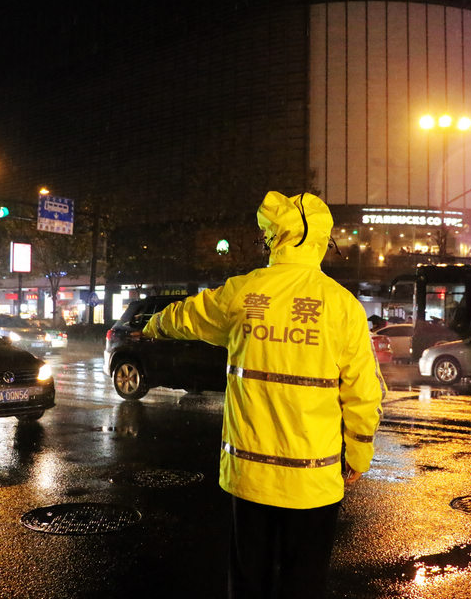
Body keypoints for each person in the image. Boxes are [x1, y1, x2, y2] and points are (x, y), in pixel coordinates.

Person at [142, 191, 385, 598]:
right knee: (303, 582)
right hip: (314, 483)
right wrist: (359, 455)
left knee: (248, 580)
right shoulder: (343, 307)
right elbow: (363, 393)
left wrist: (152, 325)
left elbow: (189, 315)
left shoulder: (244, 293)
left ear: (273, 237)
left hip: (250, 479)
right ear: (323, 241)